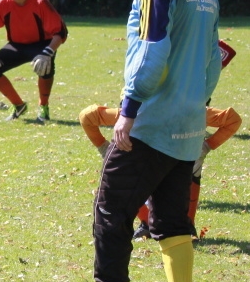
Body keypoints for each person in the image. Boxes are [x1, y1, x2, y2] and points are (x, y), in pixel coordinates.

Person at [60, 0, 221, 282]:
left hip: (150, 124)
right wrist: (193, 106)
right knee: (171, 223)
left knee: (110, 211)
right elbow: (212, 62)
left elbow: (151, 53)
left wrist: (128, 111)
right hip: (187, 126)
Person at [79, 102, 241, 239]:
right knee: (127, 176)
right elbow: (88, 116)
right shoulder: (136, 113)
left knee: (186, 176)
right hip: (144, 160)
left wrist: (206, 147)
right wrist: (104, 148)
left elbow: (232, 120)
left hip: (180, 162)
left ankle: (185, 226)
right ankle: (148, 224)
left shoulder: (190, 111)